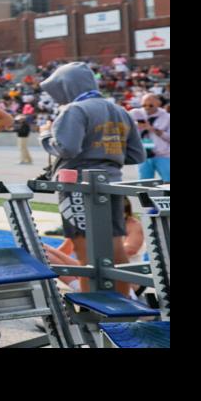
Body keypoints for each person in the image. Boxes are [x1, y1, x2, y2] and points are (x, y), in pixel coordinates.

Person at [39, 61, 145, 296]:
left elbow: (67, 148)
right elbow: (137, 155)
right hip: (112, 184)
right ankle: (125, 304)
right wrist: (107, 157)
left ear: (67, 86)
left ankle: (93, 307)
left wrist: (45, 135)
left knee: (84, 251)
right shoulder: (120, 110)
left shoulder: (74, 110)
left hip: (79, 186)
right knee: (115, 247)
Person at [141, 94, 170, 182]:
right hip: (144, 156)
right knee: (144, 185)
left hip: (163, 156)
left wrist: (153, 129)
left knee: (168, 183)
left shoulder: (167, 117)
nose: (147, 107)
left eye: (150, 105)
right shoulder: (138, 115)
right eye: (144, 105)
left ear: (158, 104)